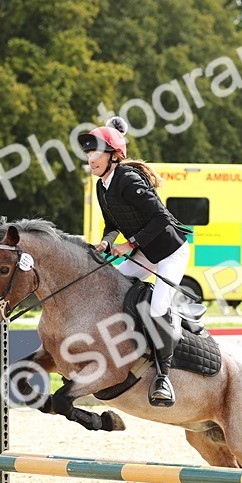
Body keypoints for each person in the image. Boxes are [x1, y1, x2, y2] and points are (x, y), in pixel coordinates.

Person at [80, 116, 190, 407]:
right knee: (110, 287)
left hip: (169, 253)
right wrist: (106, 241)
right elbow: (111, 223)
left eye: (96, 153)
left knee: (157, 308)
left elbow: (161, 217)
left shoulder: (128, 179)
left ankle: (163, 377)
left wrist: (128, 244)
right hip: (143, 252)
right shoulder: (102, 186)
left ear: (114, 156)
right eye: (89, 153)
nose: (91, 158)